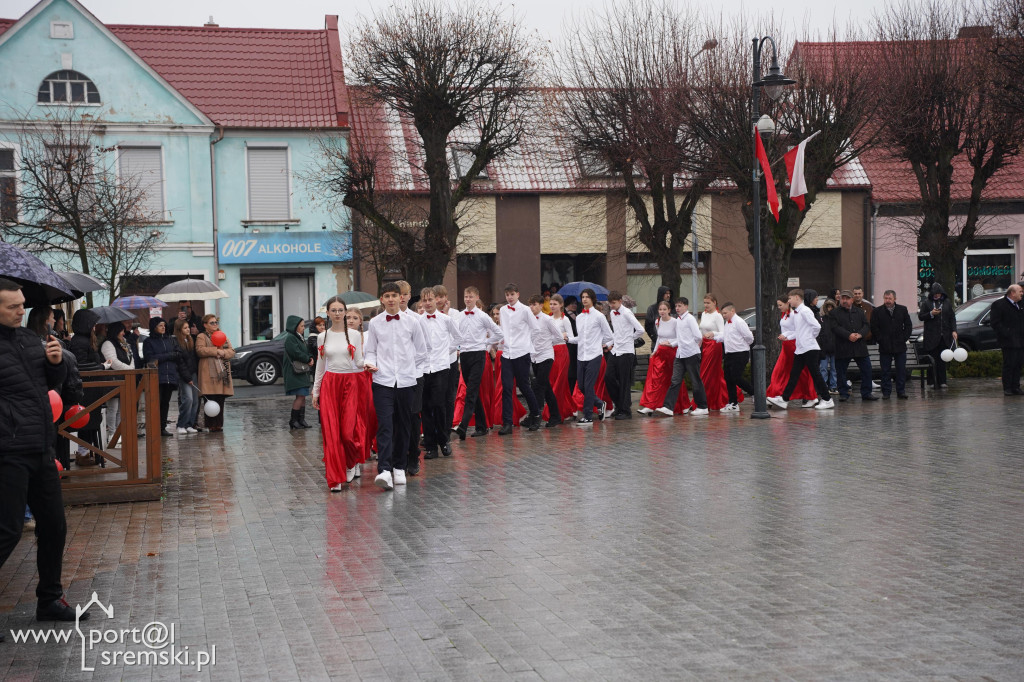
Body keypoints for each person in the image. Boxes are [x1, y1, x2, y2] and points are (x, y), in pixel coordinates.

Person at [0, 278, 85, 629]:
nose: (22, 310)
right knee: (7, 530)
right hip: (7, 451)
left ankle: (50, 599)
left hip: (40, 446)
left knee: (54, 525)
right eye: (13, 306)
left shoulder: (27, 339)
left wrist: (54, 363)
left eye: (22, 304)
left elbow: (46, 386)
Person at [364, 283, 428, 490]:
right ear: (381, 299)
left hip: (407, 381)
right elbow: (371, 350)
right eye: (386, 296)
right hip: (382, 380)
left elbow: (421, 352)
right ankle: (384, 469)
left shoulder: (413, 322)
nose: (391, 299)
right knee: (385, 425)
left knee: (403, 425)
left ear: (401, 298)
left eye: (394, 295)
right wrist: (371, 363)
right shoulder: (374, 323)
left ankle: (399, 466)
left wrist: (412, 372)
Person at [312, 296, 367, 489]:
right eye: (333, 310)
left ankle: (351, 462)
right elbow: (320, 365)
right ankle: (335, 477)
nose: (337, 313)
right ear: (327, 313)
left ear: (344, 312)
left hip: (349, 382)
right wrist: (315, 391)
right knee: (331, 433)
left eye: (340, 310)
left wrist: (369, 365)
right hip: (329, 384)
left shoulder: (353, 335)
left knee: (347, 433)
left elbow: (359, 361)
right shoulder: (322, 336)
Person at [767, 289, 835, 410]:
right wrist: (788, 336)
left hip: (809, 348)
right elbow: (798, 332)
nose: (789, 301)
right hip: (801, 348)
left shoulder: (804, 311)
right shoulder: (798, 312)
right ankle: (784, 399)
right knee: (794, 374)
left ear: (797, 298)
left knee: (815, 374)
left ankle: (827, 399)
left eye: (790, 298)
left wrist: (809, 337)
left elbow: (817, 326)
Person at [419, 287, 462, 463]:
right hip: (423, 369)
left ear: (436, 301)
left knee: (439, 405)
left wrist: (446, 351)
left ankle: (444, 441)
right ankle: (430, 446)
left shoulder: (446, 320)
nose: (428, 303)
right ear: (421, 302)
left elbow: (458, 338)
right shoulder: (418, 321)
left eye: (431, 299)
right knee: (426, 407)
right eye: (425, 300)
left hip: (441, 367)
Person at [454, 287, 502, 439]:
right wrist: (460, 358)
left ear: (477, 297)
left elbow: (499, 333)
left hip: (479, 355)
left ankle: (463, 424)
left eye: (470, 296)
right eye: (466, 296)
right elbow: (456, 337)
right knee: (472, 390)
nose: (468, 299)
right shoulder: (460, 316)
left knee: (472, 391)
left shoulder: (482, 316)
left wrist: (485, 343)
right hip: (466, 355)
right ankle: (482, 426)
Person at [498, 283, 543, 434]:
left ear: (518, 294)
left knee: (524, 386)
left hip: (521, 354)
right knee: (507, 388)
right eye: (507, 295)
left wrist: (525, 343)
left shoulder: (525, 310)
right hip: (507, 354)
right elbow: (503, 329)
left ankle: (536, 415)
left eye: (512, 294)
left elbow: (536, 329)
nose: (509, 297)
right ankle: (508, 423)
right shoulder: (503, 310)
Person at [567, 288, 613, 424]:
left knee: (588, 386)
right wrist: (568, 339)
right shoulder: (579, 317)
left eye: (587, 297)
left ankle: (587, 416)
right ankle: (599, 404)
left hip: (594, 355)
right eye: (583, 297)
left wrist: (604, 344)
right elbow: (579, 338)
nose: (584, 299)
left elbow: (609, 336)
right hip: (581, 356)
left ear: (592, 299)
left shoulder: (599, 316)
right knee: (581, 386)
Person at [767, 296, 817, 406]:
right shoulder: (785, 314)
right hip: (786, 345)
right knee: (784, 372)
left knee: (798, 372)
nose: (779, 307)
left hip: (793, 345)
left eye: (780, 305)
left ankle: (809, 395)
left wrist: (787, 336)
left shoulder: (795, 314)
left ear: (787, 304)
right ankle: (776, 394)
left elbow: (798, 330)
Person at [663, 297, 709, 416]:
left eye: (680, 306)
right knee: (675, 380)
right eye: (676, 306)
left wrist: (692, 346)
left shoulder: (690, 319)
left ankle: (703, 406)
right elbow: (680, 338)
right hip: (680, 354)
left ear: (686, 306)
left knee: (695, 381)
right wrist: (672, 343)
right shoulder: (678, 320)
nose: (677, 308)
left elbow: (698, 336)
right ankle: (668, 407)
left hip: (691, 354)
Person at [707, 303, 754, 412]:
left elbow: (749, 337)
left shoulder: (739, 322)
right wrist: (714, 335)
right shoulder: (727, 324)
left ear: (732, 311)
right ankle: (733, 403)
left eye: (725, 313)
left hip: (740, 353)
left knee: (735, 377)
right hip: (729, 353)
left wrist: (742, 346)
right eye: (722, 313)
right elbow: (725, 336)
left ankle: (753, 392)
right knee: (728, 378)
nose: (723, 315)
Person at [527, 294, 566, 427]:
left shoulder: (547, 319)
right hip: (534, 357)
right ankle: (555, 416)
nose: (531, 307)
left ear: (540, 305)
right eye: (530, 305)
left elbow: (559, 337)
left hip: (546, 356)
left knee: (538, 386)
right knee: (546, 388)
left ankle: (536, 416)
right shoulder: (528, 320)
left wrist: (548, 343)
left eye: (534, 304)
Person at [833, 290, 878, 401]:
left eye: (847, 298)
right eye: (843, 298)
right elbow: (835, 327)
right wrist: (848, 335)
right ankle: (843, 393)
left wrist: (860, 334)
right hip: (843, 346)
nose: (844, 301)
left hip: (859, 346)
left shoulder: (859, 311)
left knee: (867, 369)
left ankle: (866, 393)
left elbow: (866, 325)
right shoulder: (835, 313)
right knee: (841, 371)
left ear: (852, 300)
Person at [605, 291, 644, 420]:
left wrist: (629, 338)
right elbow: (616, 333)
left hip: (627, 352)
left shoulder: (627, 312)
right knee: (608, 377)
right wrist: (609, 343)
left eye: (614, 303)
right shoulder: (612, 313)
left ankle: (625, 411)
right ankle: (620, 404)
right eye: (610, 303)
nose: (612, 306)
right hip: (615, 350)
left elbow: (640, 330)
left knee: (624, 382)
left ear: (620, 301)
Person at [638, 300, 679, 416]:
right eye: (660, 309)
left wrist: (670, 343)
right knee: (654, 379)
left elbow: (680, 338)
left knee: (669, 380)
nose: (662, 312)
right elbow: (658, 339)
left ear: (669, 310)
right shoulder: (658, 321)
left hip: (671, 353)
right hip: (660, 353)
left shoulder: (675, 322)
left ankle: (679, 404)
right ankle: (650, 405)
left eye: (664, 309)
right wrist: (654, 351)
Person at [870, 290, 913, 399]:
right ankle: (886, 392)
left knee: (901, 370)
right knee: (885, 371)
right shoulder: (877, 311)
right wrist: (880, 339)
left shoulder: (902, 310)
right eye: (886, 298)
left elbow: (908, 326)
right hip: (885, 346)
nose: (887, 301)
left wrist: (903, 338)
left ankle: (901, 391)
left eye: (890, 298)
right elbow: (874, 327)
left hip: (900, 345)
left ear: (895, 299)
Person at [432, 285, 462, 442]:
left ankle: (446, 430)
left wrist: (447, 350)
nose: (438, 300)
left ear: (446, 298)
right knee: (435, 398)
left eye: (441, 297)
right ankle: (434, 430)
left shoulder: (454, 314)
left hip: (449, 360)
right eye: (435, 297)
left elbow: (457, 334)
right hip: (434, 363)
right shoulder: (426, 315)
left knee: (449, 397)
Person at [195, 314, 235, 432]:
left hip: (222, 371)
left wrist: (223, 353)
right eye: (212, 323)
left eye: (216, 322)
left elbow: (231, 351)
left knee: (220, 398)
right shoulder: (201, 336)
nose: (215, 325)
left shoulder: (222, 335)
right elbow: (200, 350)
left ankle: (219, 424)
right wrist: (215, 351)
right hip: (208, 372)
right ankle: (210, 424)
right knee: (210, 399)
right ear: (205, 325)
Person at [142, 317, 180, 437]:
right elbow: (150, 358)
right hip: (156, 377)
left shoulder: (171, 340)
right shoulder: (149, 342)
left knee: (165, 403)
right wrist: (169, 355)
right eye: (160, 325)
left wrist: (163, 356)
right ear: (154, 327)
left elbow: (178, 354)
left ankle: (162, 427)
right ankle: (154, 427)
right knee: (155, 403)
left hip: (170, 375)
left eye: (164, 325)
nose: (163, 327)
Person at [917, 283, 957, 388]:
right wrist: (931, 314)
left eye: (939, 294)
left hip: (944, 336)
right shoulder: (927, 303)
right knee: (932, 359)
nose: (937, 296)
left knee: (942, 359)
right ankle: (931, 382)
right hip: (931, 337)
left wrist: (954, 330)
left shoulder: (947, 303)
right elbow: (921, 316)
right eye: (935, 294)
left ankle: (942, 381)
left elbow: (952, 318)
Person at [101, 322, 135, 444]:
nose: (123, 333)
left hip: (124, 379)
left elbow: (131, 357)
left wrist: (131, 369)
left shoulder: (124, 343)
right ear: (115, 331)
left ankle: (119, 433)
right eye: (121, 330)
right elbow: (112, 361)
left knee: (121, 408)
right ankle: (112, 434)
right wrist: (130, 370)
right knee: (113, 408)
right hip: (112, 380)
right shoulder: (108, 344)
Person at [697, 294, 733, 410]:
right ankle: (719, 397)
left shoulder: (717, 316)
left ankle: (703, 401)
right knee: (714, 374)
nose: (706, 305)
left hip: (714, 345)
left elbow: (723, 333)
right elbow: (701, 330)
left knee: (706, 372)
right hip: (705, 345)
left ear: (714, 303)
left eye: (708, 303)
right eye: (704, 303)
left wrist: (713, 334)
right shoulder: (703, 314)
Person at [989, 283, 1024, 396]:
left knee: (1018, 364)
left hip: (1020, 339)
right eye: (1020, 292)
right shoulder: (999, 304)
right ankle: (1007, 388)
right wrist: (1007, 333)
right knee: (1009, 364)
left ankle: (1016, 387)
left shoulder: (1020, 304)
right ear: (1012, 293)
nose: (1022, 294)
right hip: (1008, 341)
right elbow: (995, 323)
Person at [547, 294, 577, 422]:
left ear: (561, 305)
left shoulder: (565, 319)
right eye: (551, 304)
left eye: (555, 304)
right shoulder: (548, 318)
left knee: (559, 382)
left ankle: (555, 412)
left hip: (562, 351)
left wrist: (563, 336)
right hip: (550, 351)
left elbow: (570, 337)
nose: (552, 306)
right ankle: (567, 408)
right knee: (555, 382)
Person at [283, 315, 314, 429]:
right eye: (301, 326)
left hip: (302, 371)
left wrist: (310, 357)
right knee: (300, 396)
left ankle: (301, 420)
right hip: (295, 372)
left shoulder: (299, 337)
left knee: (303, 395)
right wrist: (307, 359)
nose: (303, 328)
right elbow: (295, 353)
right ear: (294, 326)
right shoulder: (291, 338)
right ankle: (293, 421)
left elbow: (305, 350)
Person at [171, 318, 200, 433]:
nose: (188, 329)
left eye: (188, 327)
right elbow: (180, 363)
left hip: (192, 373)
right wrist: (187, 378)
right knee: (187, 399)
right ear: (179, 330)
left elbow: (193, 359)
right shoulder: (176, 342)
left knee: (195, 400)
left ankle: (190, 424)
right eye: (185, 328)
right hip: (184, 375)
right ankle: (181, 424)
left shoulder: (190, 340)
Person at [818, 299, 839, 393]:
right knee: (823, 368)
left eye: (831, 307)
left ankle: (833, 385)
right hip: (824, 347)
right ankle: (823, 386)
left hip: (834, 347)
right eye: (828, 307)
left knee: (834, 369)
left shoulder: (837, 320)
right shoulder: (822, 319)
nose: (830, 309)